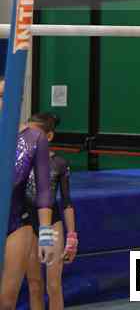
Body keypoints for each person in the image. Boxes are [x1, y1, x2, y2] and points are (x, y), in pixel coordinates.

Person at [24, 113, 78, 310]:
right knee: (34, 285)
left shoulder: (59, 163)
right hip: (27, 225)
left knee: (53, 286)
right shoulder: (22, 160)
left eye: (34, 134)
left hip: (52, 225)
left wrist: (72, 236)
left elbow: (66, 202)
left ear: (48, 136)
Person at [1, 122, 55, 310]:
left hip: (16, 223)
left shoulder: (34, 137)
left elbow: (44, 190)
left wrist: (46, 236)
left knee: (6, 302)